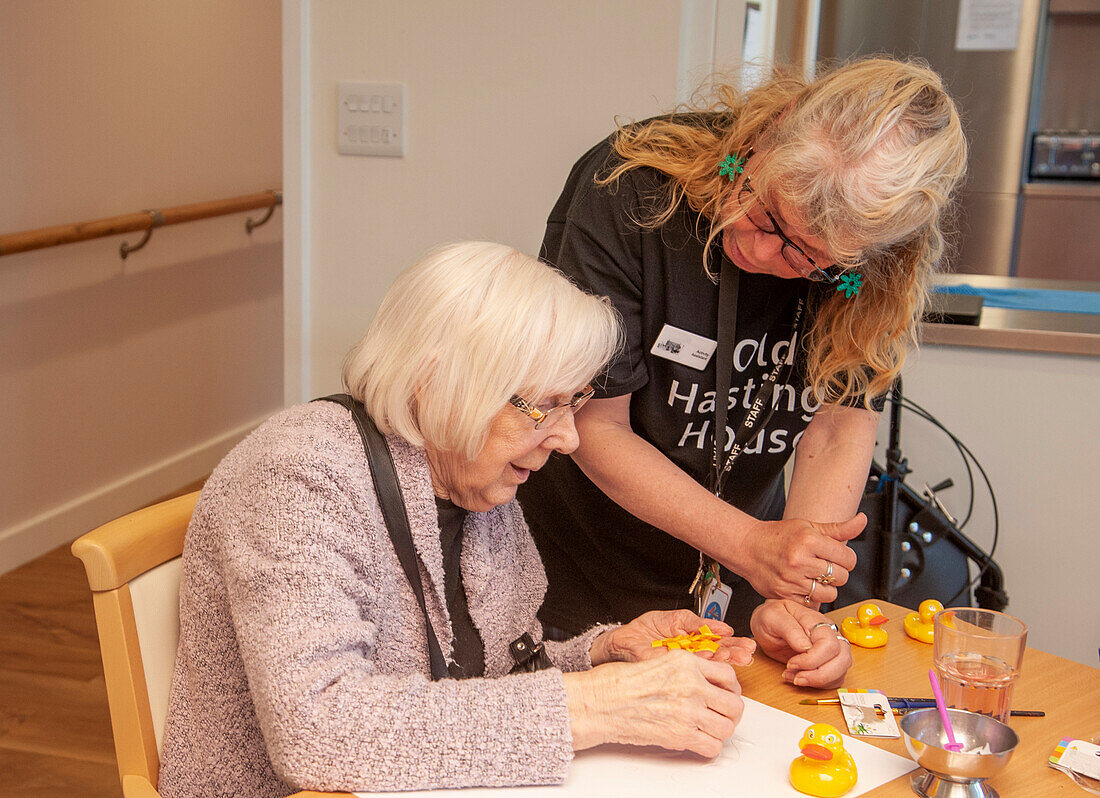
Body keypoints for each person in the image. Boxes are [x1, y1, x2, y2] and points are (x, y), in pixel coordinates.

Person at [157, 241, 839, 798]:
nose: (570, 439)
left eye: (577, 403)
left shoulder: (470, 478)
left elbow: (482, 677)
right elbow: (319, 729)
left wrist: (603, 653)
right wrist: (598, 704)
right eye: (545, 406)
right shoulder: (297, 473)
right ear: (437, 382)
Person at [518, 58, 968, 649]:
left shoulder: (877, 274)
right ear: (770, 132)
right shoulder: (630, 187)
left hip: (740, 575)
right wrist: (754, 546)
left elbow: (836, 432)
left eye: (809, 256)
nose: (760, 250)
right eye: (767, 212)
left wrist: (795, 602)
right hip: (577, 569)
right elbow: (596, 425)